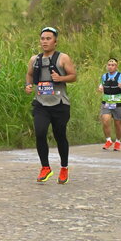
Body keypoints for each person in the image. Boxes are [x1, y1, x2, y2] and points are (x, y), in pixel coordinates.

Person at [25, 27, 77, 184]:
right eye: (42, 38)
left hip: (60, 104)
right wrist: (28, 85)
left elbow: (73, 76)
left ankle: (64, 168)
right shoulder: (34, 59)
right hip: (41, 103)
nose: (45, 41)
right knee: (40, 132)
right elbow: (29, 74)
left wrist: (61, 78)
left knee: (59, 135)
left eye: (48, 38)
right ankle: (45, 167)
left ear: (55, 41)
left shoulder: (63, 58)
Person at [98, 58, 121, 151]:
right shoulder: (104, 76)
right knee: (105, 121)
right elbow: (101, 85)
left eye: (113, 65)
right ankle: (108, 140)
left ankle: (118, 142)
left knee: (118, 124)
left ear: (116, 66)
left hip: (118, 103)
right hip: (106, 102)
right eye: (109, 65)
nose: (110, 67)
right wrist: (100, 88)